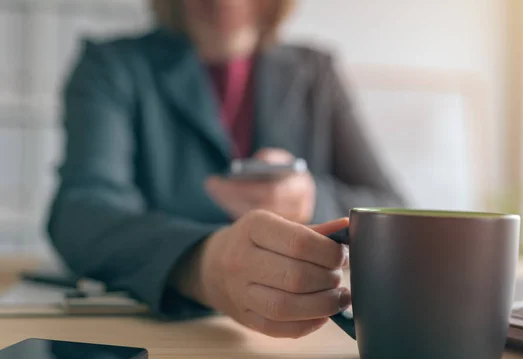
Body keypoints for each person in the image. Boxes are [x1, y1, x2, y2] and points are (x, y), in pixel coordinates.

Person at [47, 0, 406, 339]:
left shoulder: (315, 72)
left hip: (306, 338)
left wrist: (310, 198)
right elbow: (80, 215)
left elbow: (393, 210)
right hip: (161, 335)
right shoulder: (111, 66)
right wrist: (199, 262)